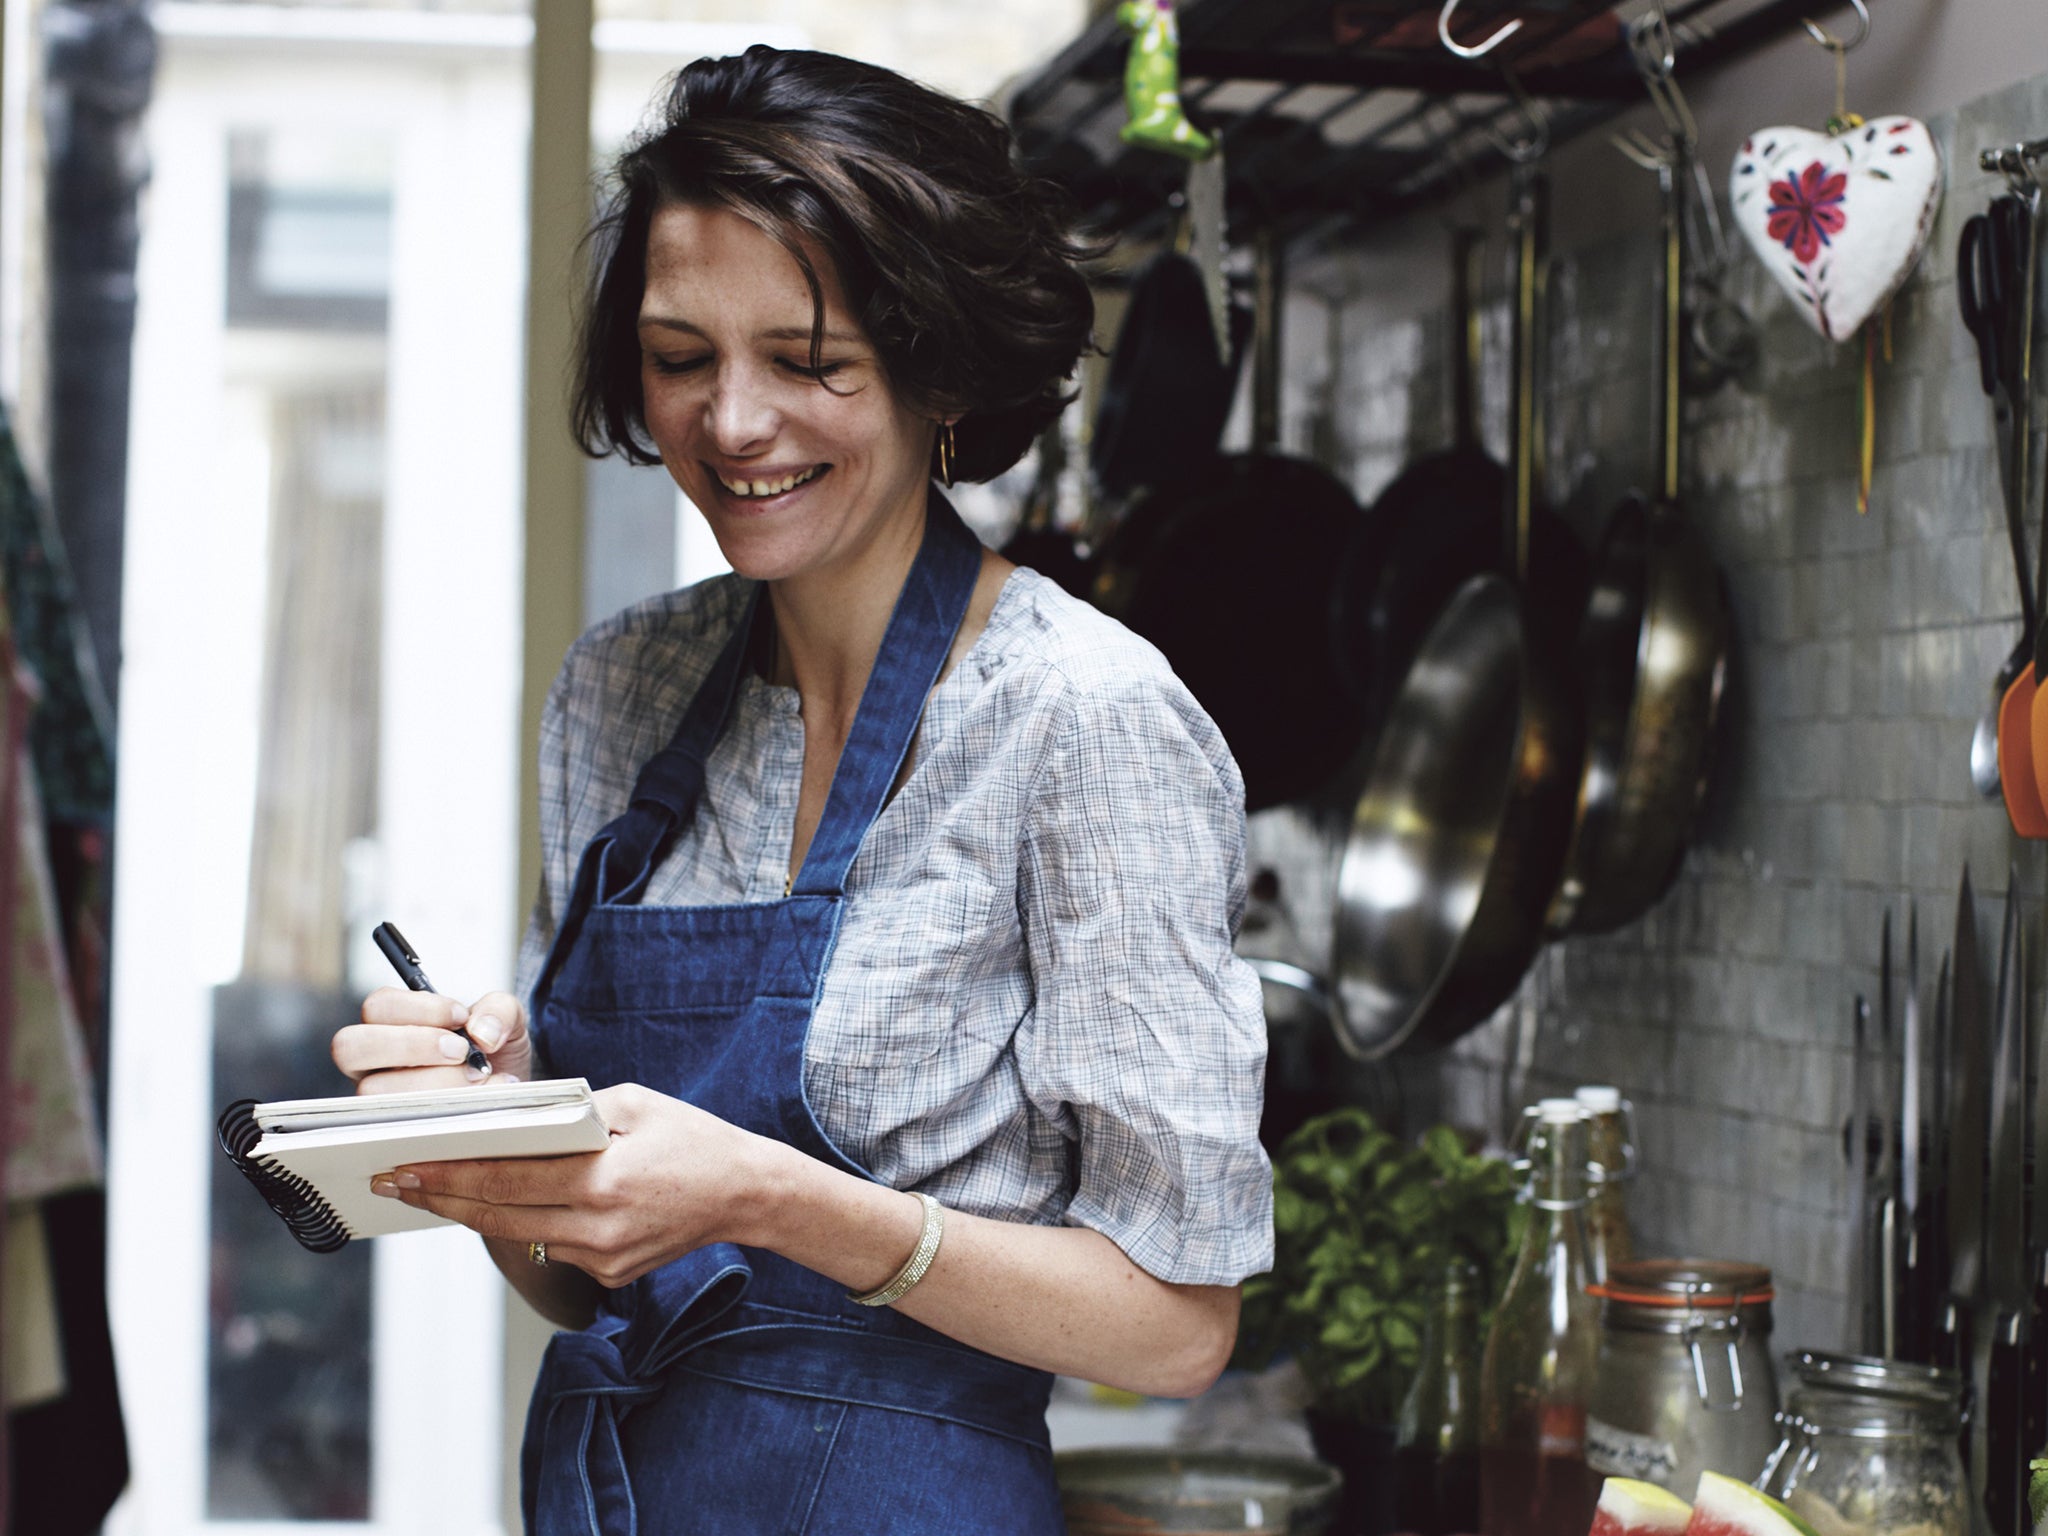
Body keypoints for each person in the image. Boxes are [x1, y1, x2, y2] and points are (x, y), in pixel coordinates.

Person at [329, 45, 1271, 1535]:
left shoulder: (1080, 718)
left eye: (810, 360)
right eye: (683, 357)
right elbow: (583, 1281)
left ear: (934, 365)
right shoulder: (621, 692)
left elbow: (1176, 1325)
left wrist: (764, 1197)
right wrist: (493, 1135)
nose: (733, 424)